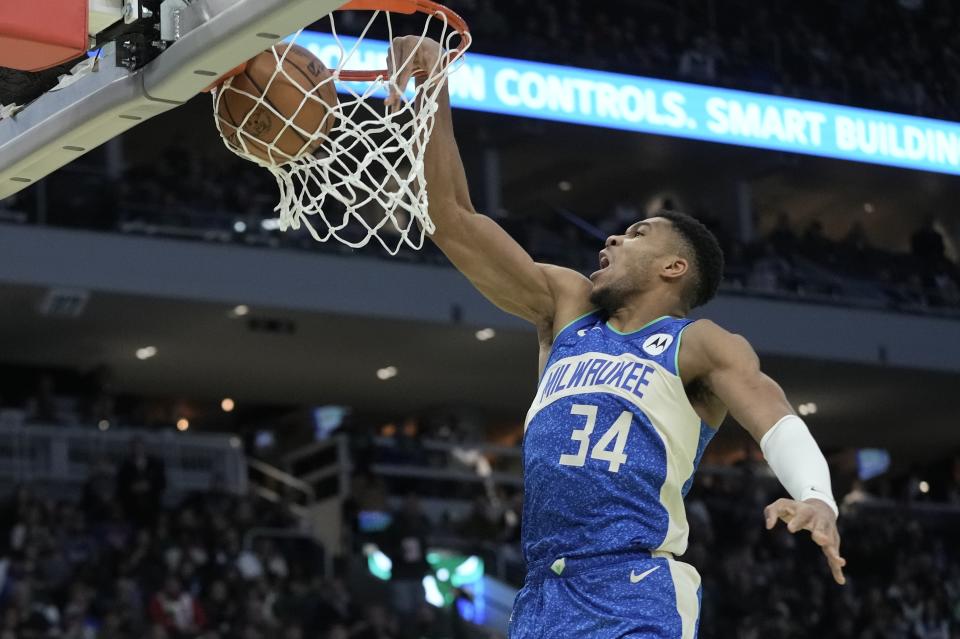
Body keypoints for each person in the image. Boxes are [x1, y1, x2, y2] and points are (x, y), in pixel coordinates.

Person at [386, 37, 847, 638]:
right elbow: (451, 216)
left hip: (634, 588)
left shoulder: (699, 344)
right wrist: (432, 88)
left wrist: (817, 495)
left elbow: (773, 414)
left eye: (635, 233)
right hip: (543, 593)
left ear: (673, 268)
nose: (611, 241)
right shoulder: (567, 307)